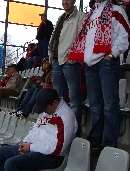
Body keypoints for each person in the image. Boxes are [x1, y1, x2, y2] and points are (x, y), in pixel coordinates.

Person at [0, 88, 78, 171]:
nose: (44, 111)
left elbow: (57, 149)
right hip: (35, 148)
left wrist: (31, 147)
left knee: (12, 165)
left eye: (45, 108)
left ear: (55, 103)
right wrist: (25, 142)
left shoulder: (66, 117)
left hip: (52, 157)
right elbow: (35, 129)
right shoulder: (47, 110)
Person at [67, 0, 130, 154]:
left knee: (110, 105)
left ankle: (109, 143)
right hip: (90, 65)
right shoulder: (90, 15)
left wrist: (112, 54)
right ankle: (95, 140)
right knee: (95, 105)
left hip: (106, 62)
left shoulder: (117, 10)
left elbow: (126, 35)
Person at [48, 0, 85, 137]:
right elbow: (55, 41)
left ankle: (74, 133)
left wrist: (75, 56)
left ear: (74, 1)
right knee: (58, 100)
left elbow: (83, 38)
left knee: (74, 100)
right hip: (57, 61)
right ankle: (61, 131)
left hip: (70, 62)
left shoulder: (81, 16)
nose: (65, 2)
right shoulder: (61, 18)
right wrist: (51, 57)